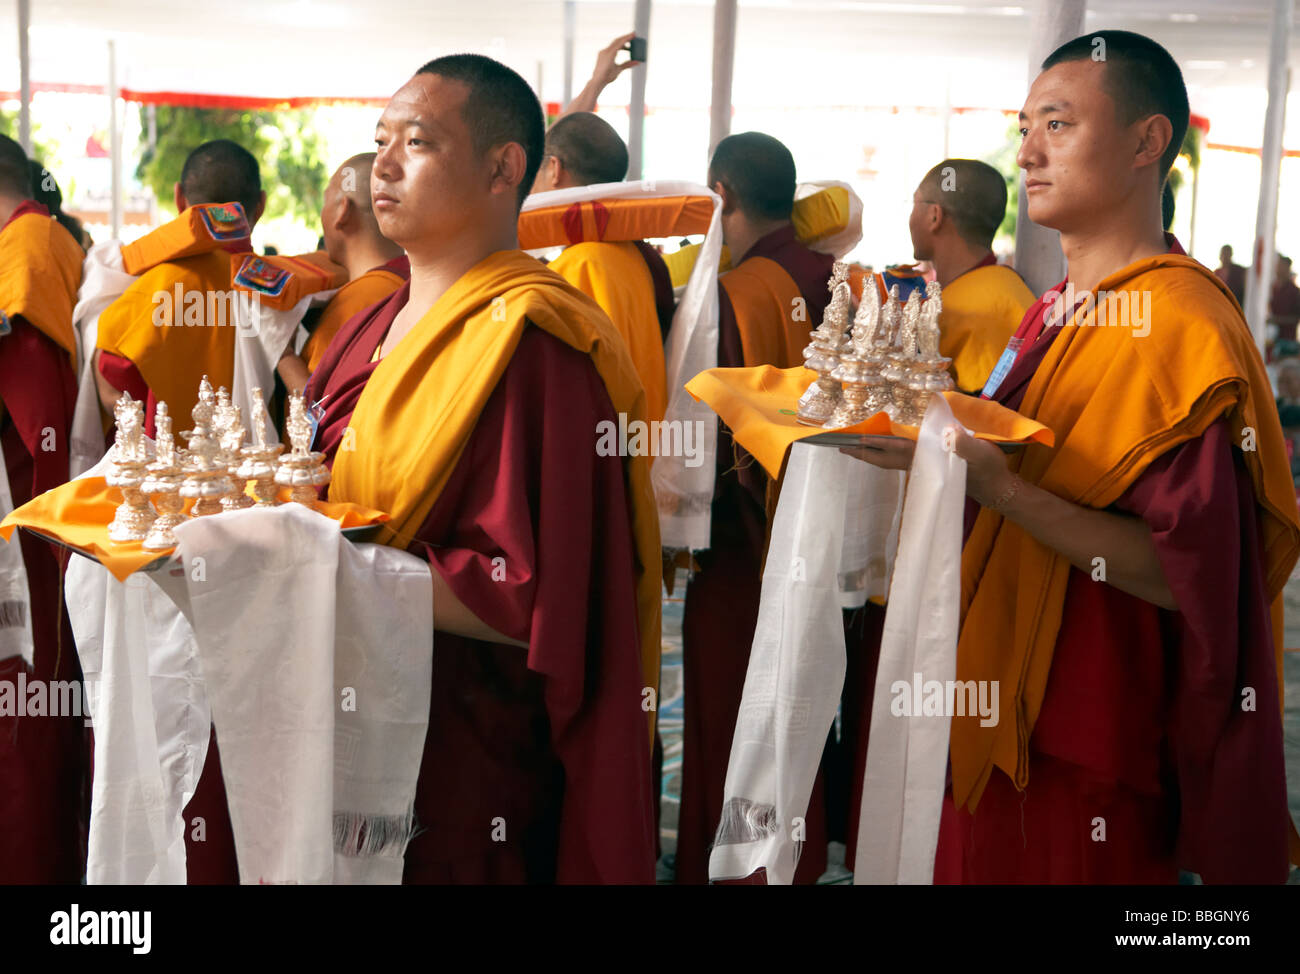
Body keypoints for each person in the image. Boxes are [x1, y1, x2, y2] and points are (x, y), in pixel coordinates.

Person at [191, 54, 662, 884]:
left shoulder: (533, 342)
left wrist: (313, 558)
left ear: (502, 168)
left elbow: (529, 599)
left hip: (455, 745)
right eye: (381, 141)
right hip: (328, 702)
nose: (386, 165)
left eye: (420, 141)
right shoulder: (370, 315)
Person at [847, 29, 1299, 884]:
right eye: (1025, 128)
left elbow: (1191, 574)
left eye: (1056, 125)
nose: (1027, 153)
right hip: (988, 685)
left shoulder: (1180, 327)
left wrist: (1002, 490)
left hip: (1085, 722)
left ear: (1146, 142)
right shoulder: (1054, 309)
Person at [675, 131, 835, 885]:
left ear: (723, 197)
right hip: (829, 535)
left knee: (731, 704)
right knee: (806, 696)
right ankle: (797, 856)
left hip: (743, 541)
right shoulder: (843, 279)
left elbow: (707, 438)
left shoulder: (732, 295)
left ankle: (734, 863)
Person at [0, 133, 87, 882]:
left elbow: (37, 426)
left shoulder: (25, 251)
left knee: (24, 722)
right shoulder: (41, 239)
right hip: (39, 526)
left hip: (24, 531)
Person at [93, 139, 264, 437]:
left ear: (179, 198)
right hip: (259, 475)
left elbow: (113, 383)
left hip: (167, 475)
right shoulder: (282, 289)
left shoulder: (153, 288)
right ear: (260, 205)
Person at [530, 112, 673, 423]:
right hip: (644, 443)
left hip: (600, 450)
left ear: (554, 169)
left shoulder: (580, 265)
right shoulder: (639, 254)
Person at [276, 153, 408, 393]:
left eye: (326, 201)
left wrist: (282, 353)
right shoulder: (414, 282)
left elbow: (323, 411)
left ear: (342, 211)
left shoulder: (361, 298)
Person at [906, 158, 1035, 393]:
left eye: (915, 203)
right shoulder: (1001, 286)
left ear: (934, 216)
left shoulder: (977, 308)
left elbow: (979, 408)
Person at [1269, 254, 1300, 343]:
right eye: (1278, 265)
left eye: (1281, 265)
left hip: (1287, 340)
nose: (1278, 268)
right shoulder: (1273, 288)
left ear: (1287, 268)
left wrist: (1278, 320)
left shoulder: (1294, 291)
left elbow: (1296, 318)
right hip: (1271, 338)